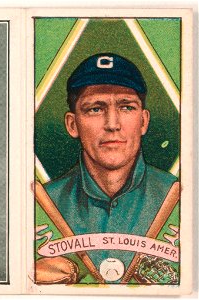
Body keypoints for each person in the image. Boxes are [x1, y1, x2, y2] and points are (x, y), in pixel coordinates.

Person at [43, 53, 178, 282]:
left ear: (143, 121)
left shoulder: (177, 195)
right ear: (72, 124)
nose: (112, 125)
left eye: (126, 107)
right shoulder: (45, 201)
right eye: (95, 109)